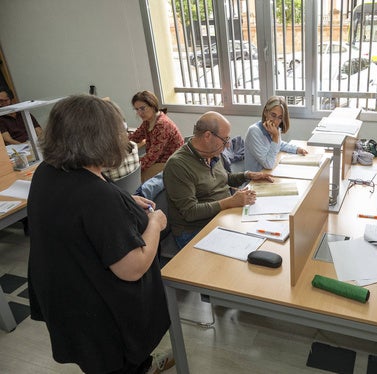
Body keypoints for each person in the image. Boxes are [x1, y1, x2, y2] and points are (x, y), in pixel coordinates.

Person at [27, 95, 173, 373]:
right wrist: (155, 223)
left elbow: (80, 211)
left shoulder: (47, 172)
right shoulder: (97, 197)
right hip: (98, 310)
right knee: (117, 364)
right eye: (120, 128)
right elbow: (132, 268)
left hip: (66, 294)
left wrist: (126, 200)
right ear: (101, 138)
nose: (126, 134)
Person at [164, 111, 274, 249]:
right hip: (196, 230)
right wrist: (230, 202)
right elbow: (190, 212)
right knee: (246, 252)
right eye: (225, 139)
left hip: (223, 216)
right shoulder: (178, 165)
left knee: (264, 237)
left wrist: (248, 175)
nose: (228, 145)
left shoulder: (212, 153)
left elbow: (224, 178)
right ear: (208, 136)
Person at [244, 96, 307, 172]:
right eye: (273, 115)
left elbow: (279, 144)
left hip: (269, 174)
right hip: (254, 181)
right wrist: (275, 136)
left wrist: (296, 149)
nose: (275, 121)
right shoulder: (254, 131)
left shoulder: (274, 128)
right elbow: (268, 164)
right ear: (265, 112)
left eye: (280, 117)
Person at [128, 90, 184, 176]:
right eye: (137, 109)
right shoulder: (148, 121)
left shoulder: (162, 125)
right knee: (132, 164)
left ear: (153, 106)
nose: (139, 113)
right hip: (159, 160)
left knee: (135, 178)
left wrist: (132, 172)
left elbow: (152, 157)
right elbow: (135, 137)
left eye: (142, 108)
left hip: (172, 164)